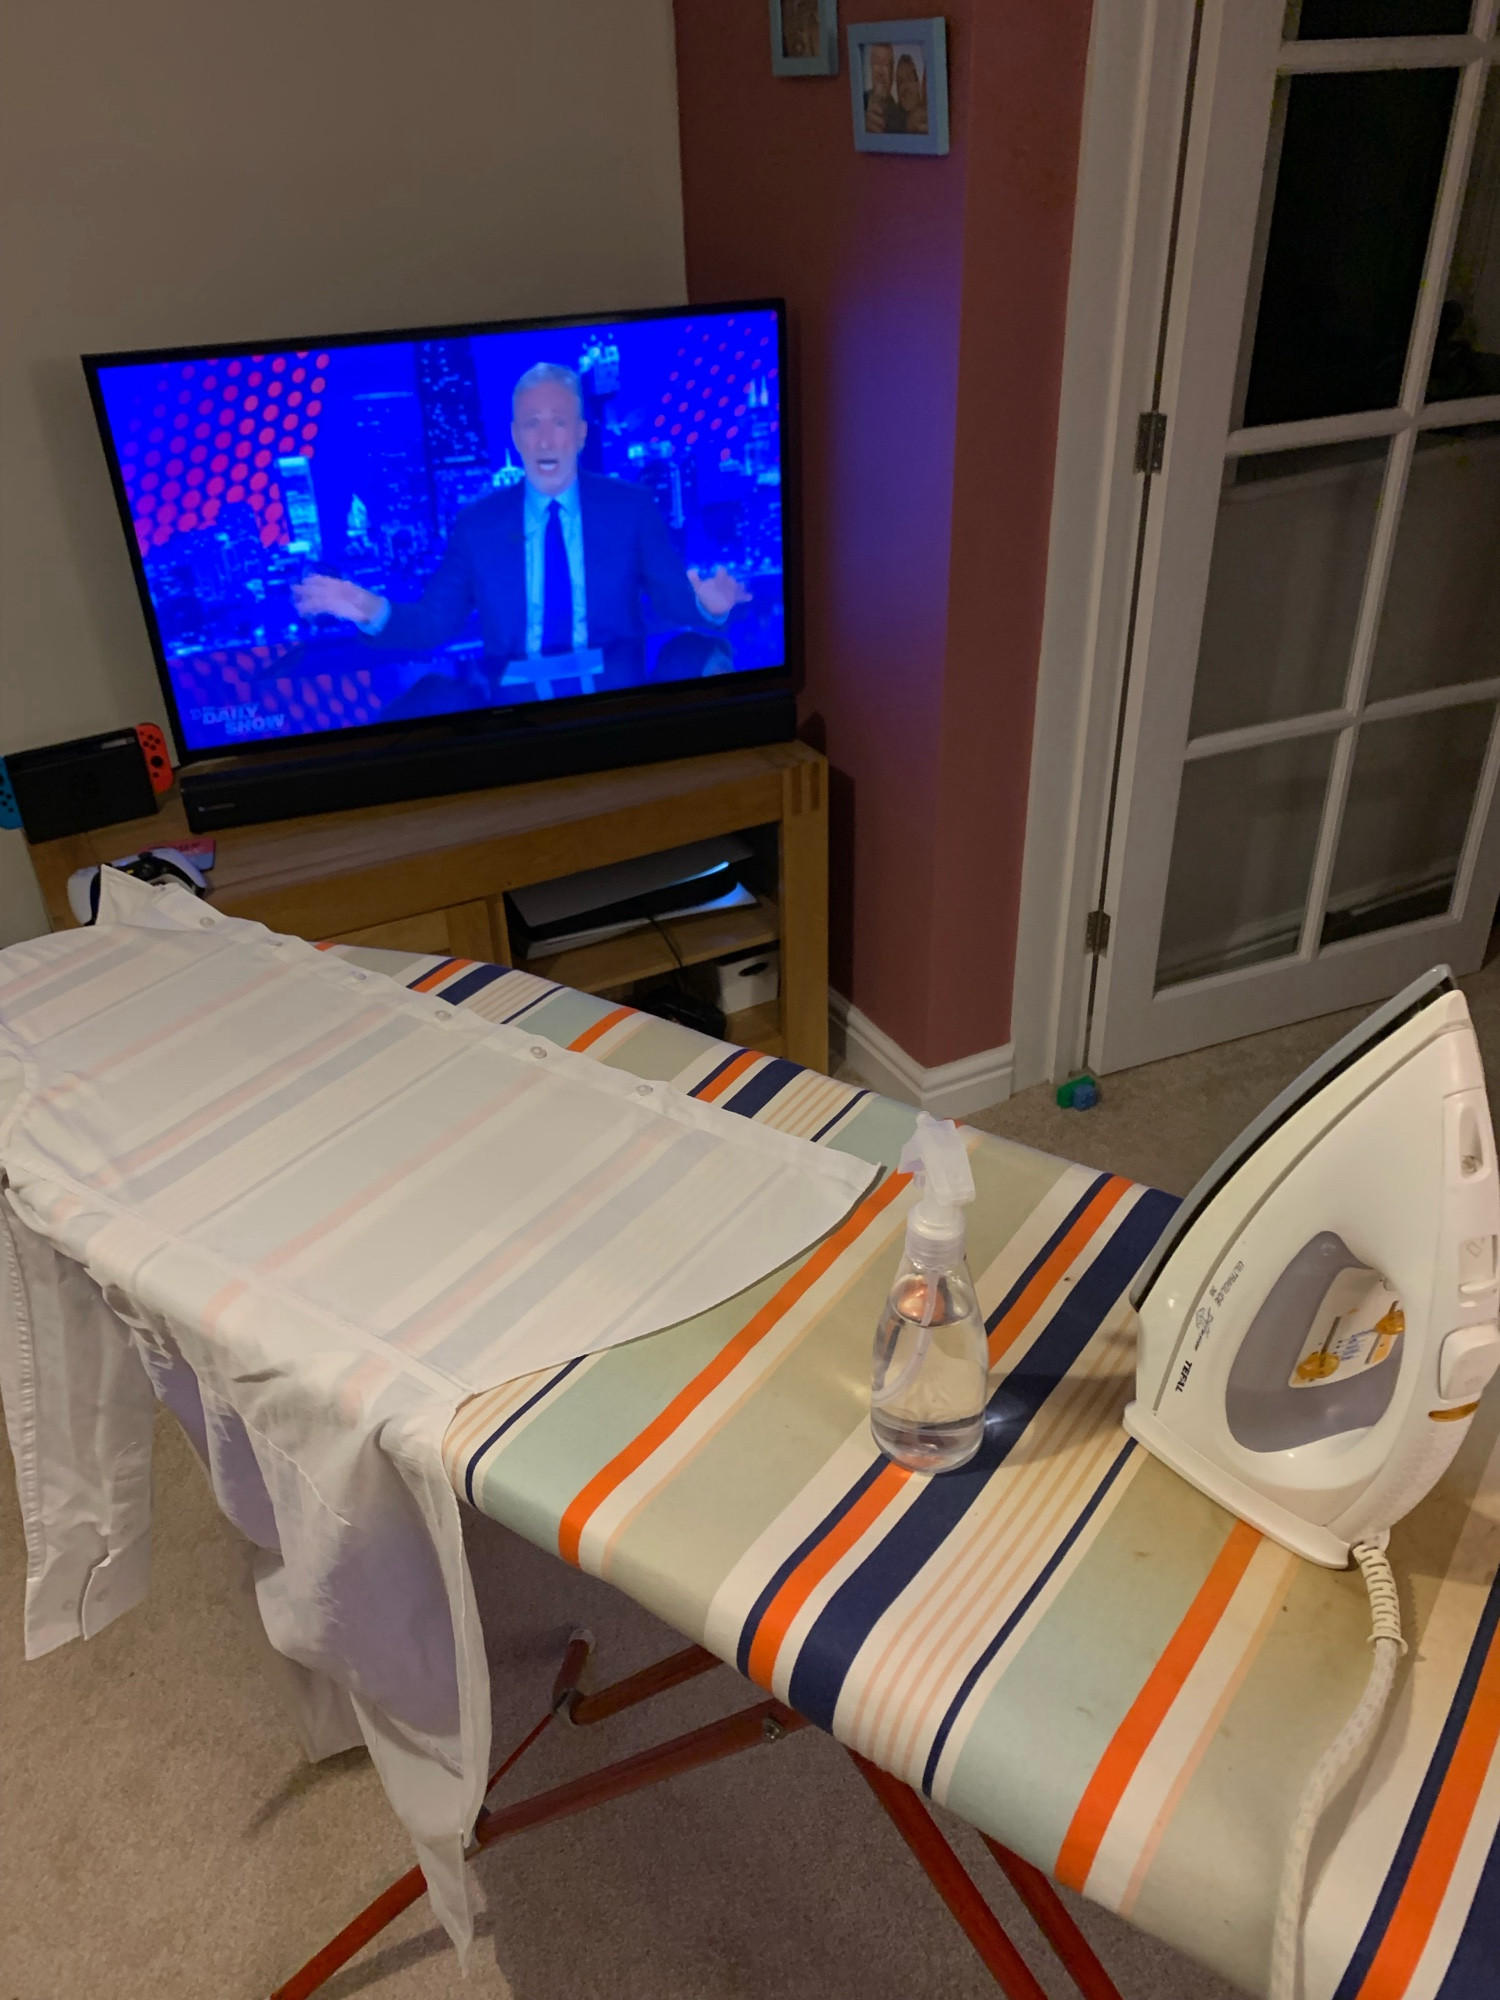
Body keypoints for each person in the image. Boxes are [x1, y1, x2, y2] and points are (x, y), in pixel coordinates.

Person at [292, 363, 748, 682]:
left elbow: (672, 601)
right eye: (532, 424)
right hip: (515, 715)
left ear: (581, 433)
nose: (546, 439)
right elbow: (433, 624)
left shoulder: (630, 506)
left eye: (560, 423)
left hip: (617, 704)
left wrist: (709, 604)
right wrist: (365, 606)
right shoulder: (477, 524)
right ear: (515, 435)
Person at [863, 42, 905, 135]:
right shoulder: (859, 104)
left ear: (893, 72)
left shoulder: (901, 116)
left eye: (886, 64)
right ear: (871, 68)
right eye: (876, 63)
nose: (880, 72)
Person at [894, 52, 928, 135]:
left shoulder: (931, 116)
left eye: (909, 78)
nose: (904, 86)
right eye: (900, 82)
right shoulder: (891, 120)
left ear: (918, 84)